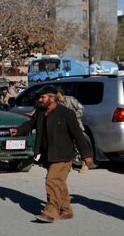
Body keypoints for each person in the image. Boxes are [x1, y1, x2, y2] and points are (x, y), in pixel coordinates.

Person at [10, 85, 93, 223]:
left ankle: (50, 211)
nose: (40, 100)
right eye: (40, 97)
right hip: (48, 155)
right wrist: (18, 131)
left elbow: (78, 135)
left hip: (63, 155)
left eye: (43, 97)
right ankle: (66, 210)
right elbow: (30, 125)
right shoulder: (41, 112)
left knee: (52, 180)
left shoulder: (67, 113)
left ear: (52, 97)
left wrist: (86, 155)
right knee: (59, 183)